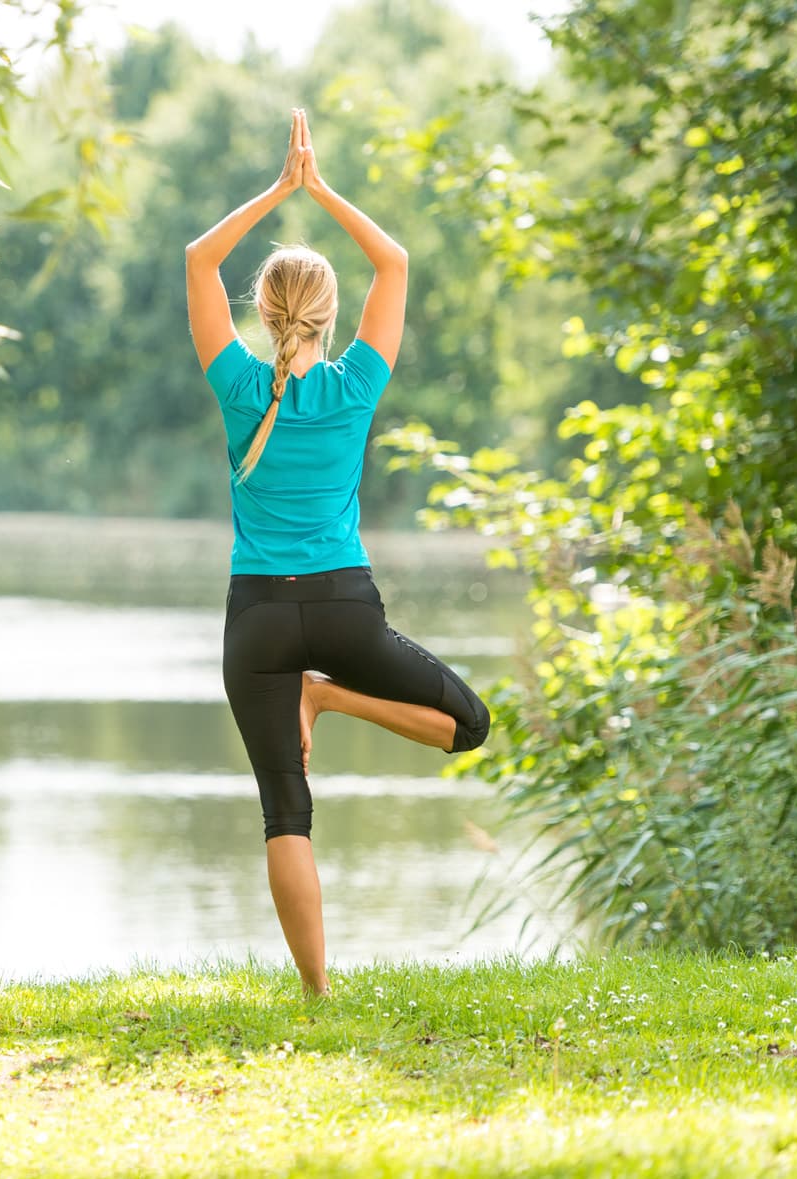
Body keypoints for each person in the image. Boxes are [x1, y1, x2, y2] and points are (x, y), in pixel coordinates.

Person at [185, 109, 491, 998]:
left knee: (287, 814)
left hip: (257, 621)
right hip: (346, 605)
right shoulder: (356, 383)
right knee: (467, 725)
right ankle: (336, 695)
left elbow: (199, 260)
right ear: (326, 316)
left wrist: (278, 191)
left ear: (262, 311)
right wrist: (320, 189)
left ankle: (319, 997)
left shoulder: (241, 385)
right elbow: (394, 261)